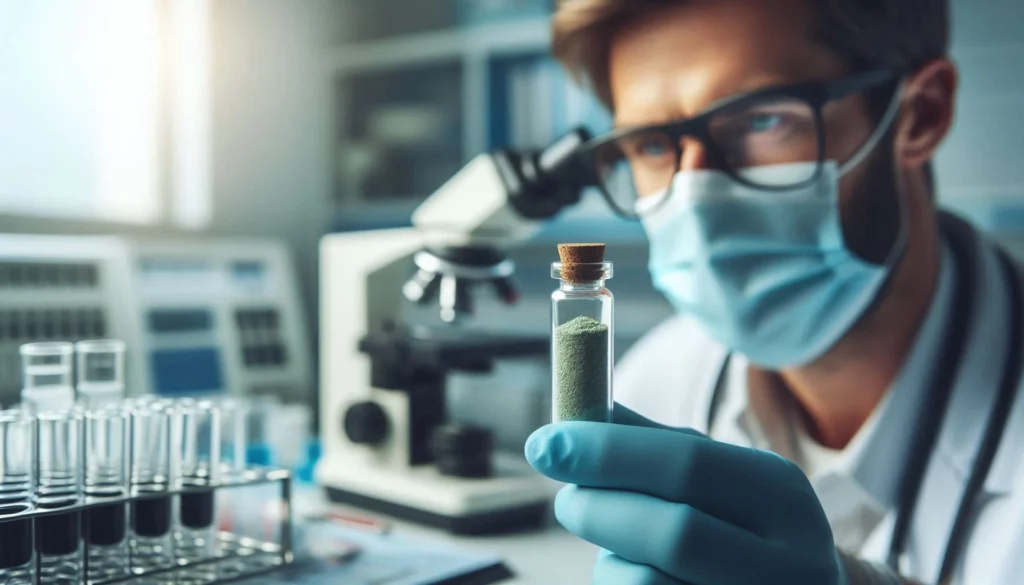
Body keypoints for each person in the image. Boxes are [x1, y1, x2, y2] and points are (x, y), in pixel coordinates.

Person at [524, 1, 1024, 584]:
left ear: (921, 114)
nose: (697, 195)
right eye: (654, 146)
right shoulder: (654, 384)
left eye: (761, 120)